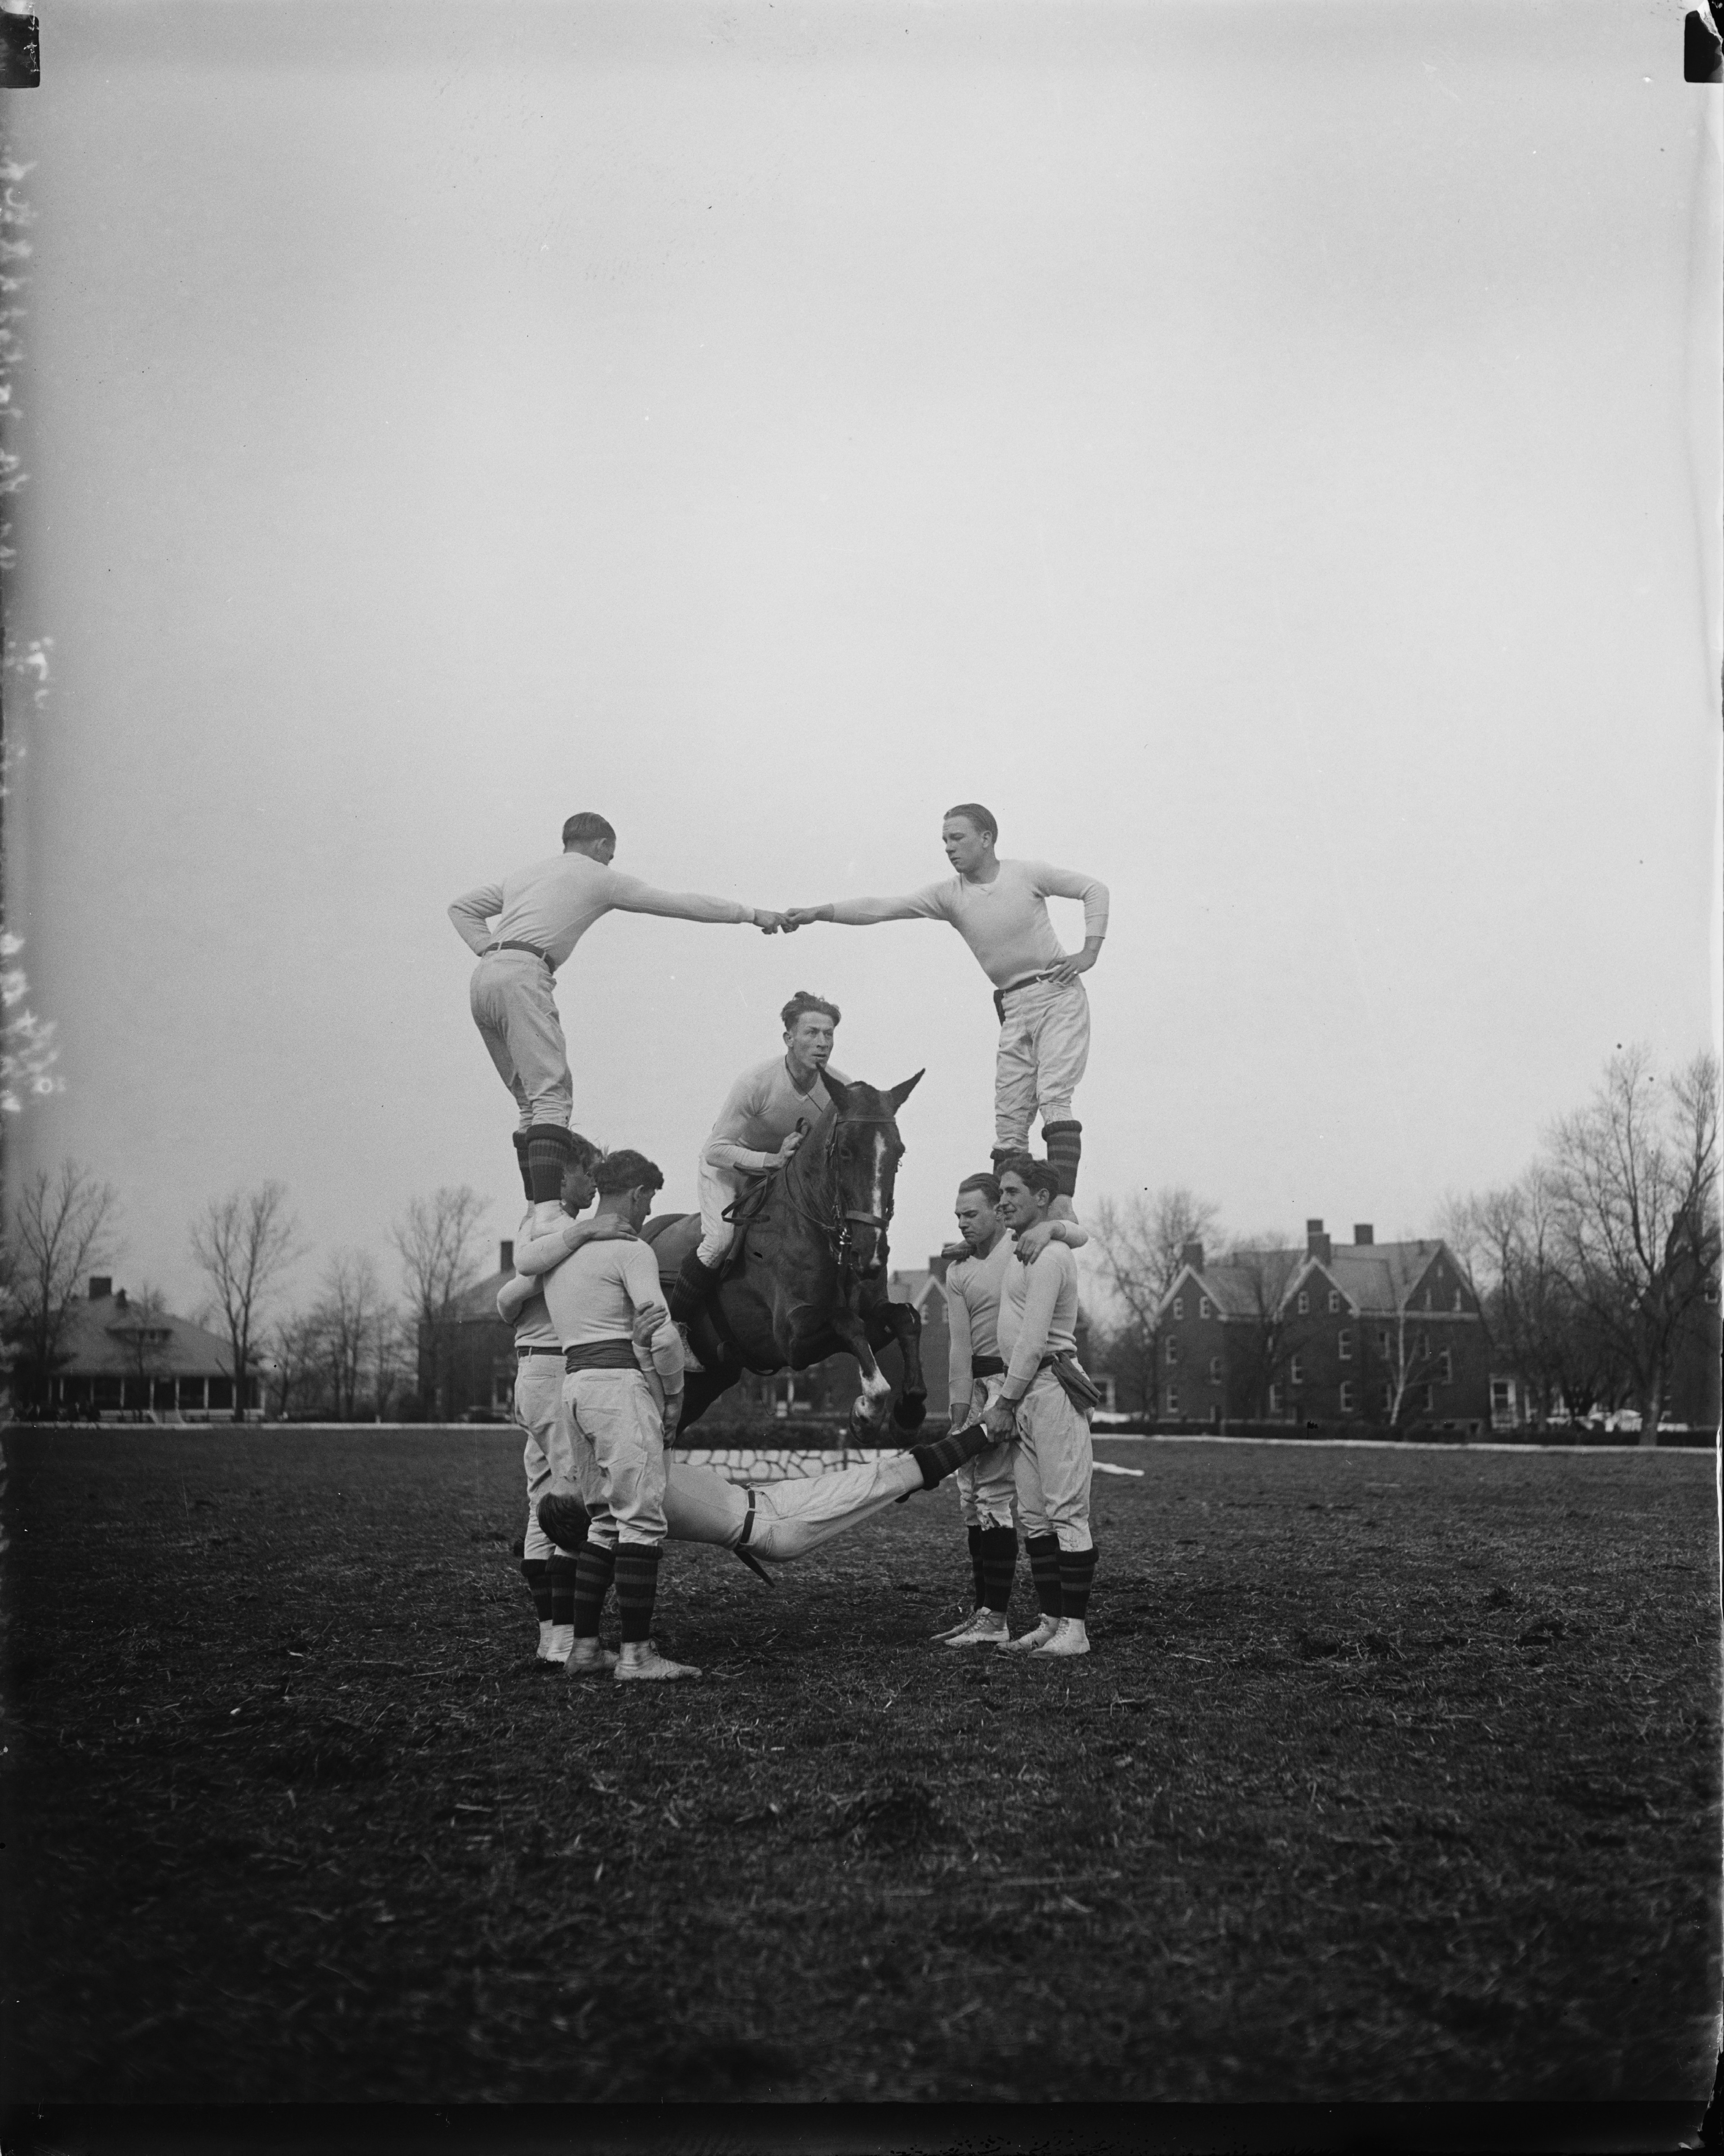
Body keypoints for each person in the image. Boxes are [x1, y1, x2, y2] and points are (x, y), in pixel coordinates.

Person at [449, 813, 786, 1204]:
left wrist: (488, 949)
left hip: (483, 978)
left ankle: (534, 1211)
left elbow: (461, 908)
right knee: (552, 1098)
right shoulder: (597, 875)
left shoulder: (525, 875)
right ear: (601, 846)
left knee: (530, 1103)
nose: (611, 861)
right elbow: (678, 904)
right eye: (611, 854)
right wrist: (752, 913)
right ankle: (546, 1213)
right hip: (525, 974)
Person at [781, 804, 1107, 1199]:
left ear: (986, 839)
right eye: (945, 841)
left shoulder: (1026, 874)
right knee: (1009, 1120)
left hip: (1056, 993)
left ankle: (1059, 1206)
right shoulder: (950, 896)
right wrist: (820, 912)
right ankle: (1005, 1218)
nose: (949, 848)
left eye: (958, 838)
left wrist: (1088, 953)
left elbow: (1094, 890)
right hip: (1014, 1006)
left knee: (1054, 1096)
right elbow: (884, 908)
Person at [536, 1148, 694, 1680]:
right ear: (639, 1194)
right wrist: (673, 1395)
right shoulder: (631, 1251)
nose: (649, 1214)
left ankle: (584, 1648)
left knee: (603, 1519)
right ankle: (637, 1654)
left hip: (573, 1387)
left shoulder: (560, 1252)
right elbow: (662, 1334)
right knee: (641, 1519)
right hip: (618, 1389)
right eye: (650, 1201)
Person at [934, 1172, 1091, 1649]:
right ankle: (1012, 1615)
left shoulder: (1028, 1245)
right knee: (989, 1503)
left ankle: (1027, 1619)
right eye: (958, 1215)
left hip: (1024, 1381)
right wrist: (958, 1410)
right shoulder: (961, 1268)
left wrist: (1054, 1228)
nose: (965, 1222)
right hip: (995, 1387)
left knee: (1014, 1500)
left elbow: (1076, 1233)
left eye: (973, 1212)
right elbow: (959, 1348)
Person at [494, 1133, 632, 1665]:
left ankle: (552, 1635)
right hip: (551, 1367)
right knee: (568, 1497)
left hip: (536, 1367)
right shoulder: (554, 1225)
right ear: (566, 1173)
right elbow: (507, 1296)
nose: (595, 1181)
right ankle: (569, 1637)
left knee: (542, 1501)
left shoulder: (553, 1225)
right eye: (588, 1171)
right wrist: (587, 1233)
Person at [666, 991, 849, 1339]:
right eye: (811, 1033)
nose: (822, 1043)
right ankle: (676, 1328)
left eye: (829, 1035)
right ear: (789, 1038)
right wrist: (773, 1160)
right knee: (719, 1242)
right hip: (729, 1168)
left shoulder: (838, 1087)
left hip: (779, 1176)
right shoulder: (757, 1081)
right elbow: (715, 1150)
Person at [981, 1155, 1102, 1658]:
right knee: (1034, 1514)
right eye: (1001, 1192)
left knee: (1066, 1510)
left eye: (1012, 1192)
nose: (1003, 1200)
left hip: (1050, 1385)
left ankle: (1076, 1627)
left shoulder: (1049, 1253)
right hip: (1026, 1391)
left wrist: (1003, 1401)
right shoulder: (1020, 1245)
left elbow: (1032, 1342)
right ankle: (1052, 1620)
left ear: (1042, 1199)